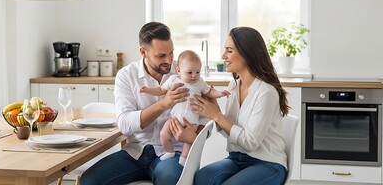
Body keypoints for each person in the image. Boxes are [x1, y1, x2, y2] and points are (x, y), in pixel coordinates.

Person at [79, 22, 198, 185]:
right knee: (89, 181)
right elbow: (124, 125)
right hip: (136, 152)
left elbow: (205, 118)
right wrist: (164, 103)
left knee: (169, 179)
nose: (169, 60)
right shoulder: (126, 76)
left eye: (171, 53)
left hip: (172, 152)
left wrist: (195, 134)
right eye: (161, 56)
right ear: (143, 52)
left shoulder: (184, 71)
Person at [187, 26, 291, 185]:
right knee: (202, 178)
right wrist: (214, 106)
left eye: (229, 51)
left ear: (246, 54)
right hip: (237, 159)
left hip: (267, 163)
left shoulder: (266, 93)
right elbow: (227, 129)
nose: (223, 56)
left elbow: (250, 142)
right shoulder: (234, 85)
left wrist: (217, 115)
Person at [139, 50, 229, 166]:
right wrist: (148, 90)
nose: (194, 76)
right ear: (179, 71)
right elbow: (161, 90)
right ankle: (169, 151)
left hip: (191, 122)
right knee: (163, 134)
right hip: (174, 120)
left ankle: (184, 158)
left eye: (197, 72)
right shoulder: (173, 80)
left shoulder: (200, 83)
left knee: (188, 142)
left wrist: (220, 93)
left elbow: (210, 92)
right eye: (190, 72)